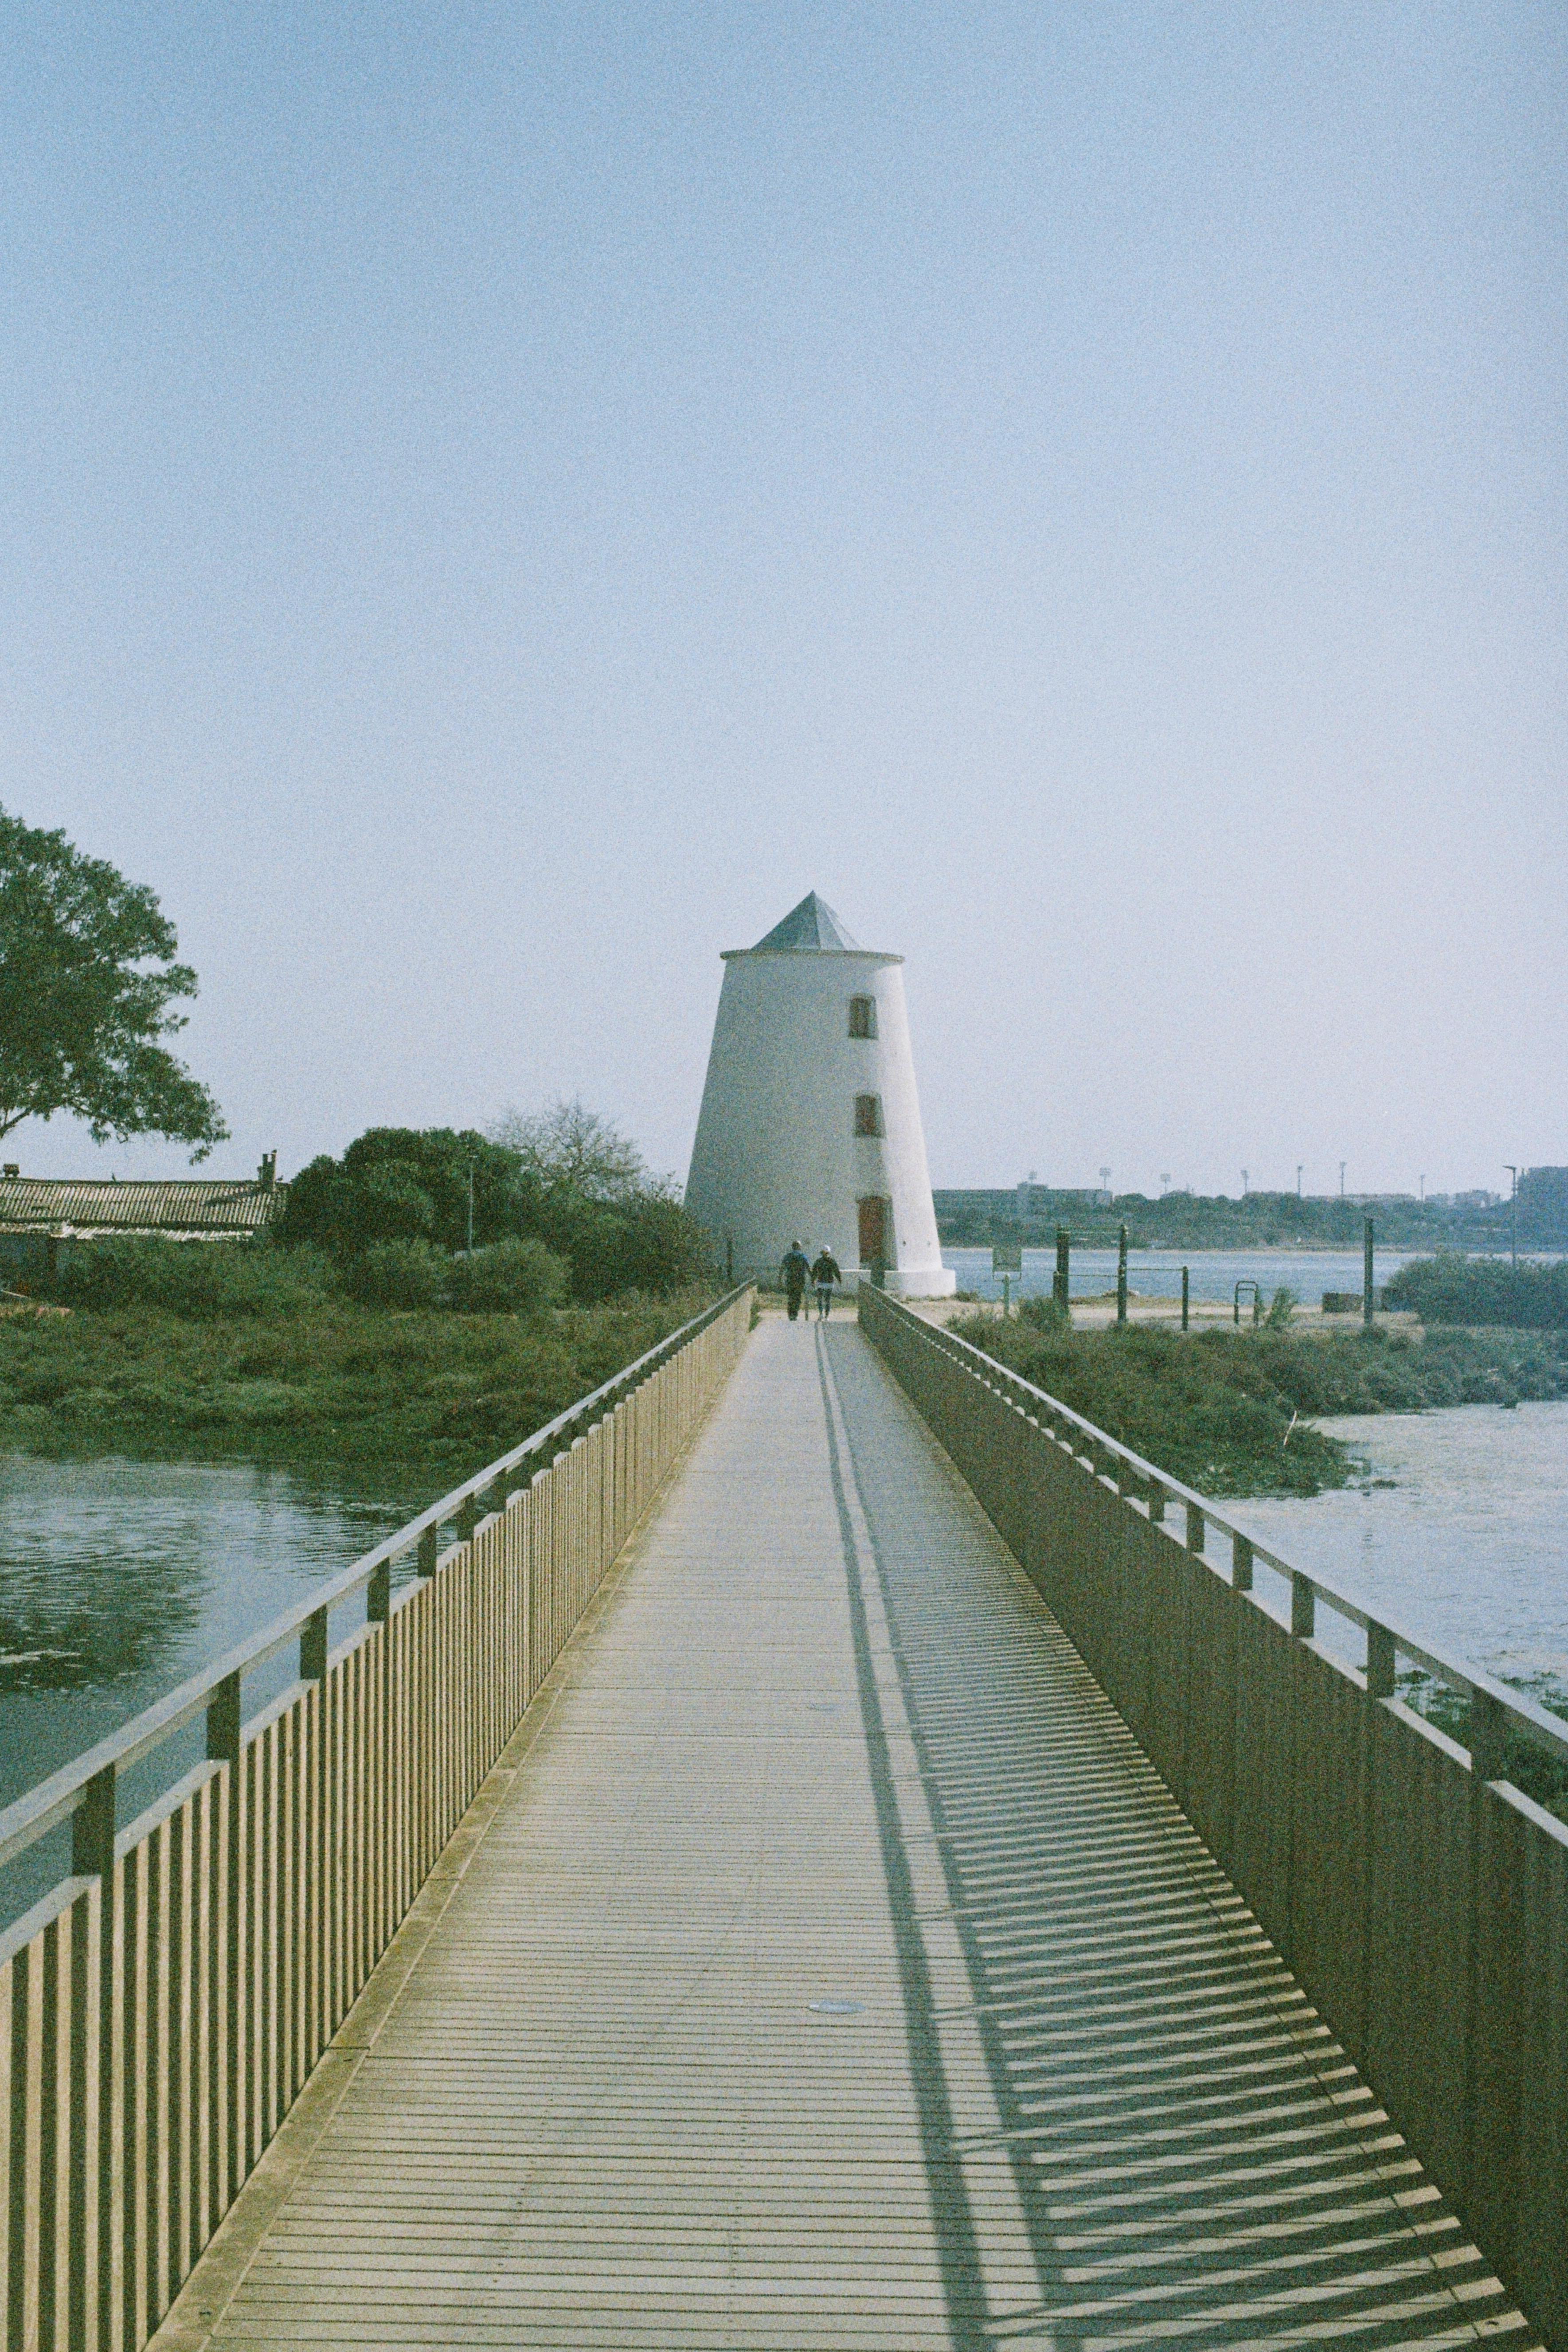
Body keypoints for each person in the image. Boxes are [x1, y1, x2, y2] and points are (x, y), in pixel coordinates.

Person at [779, 1241, 811, 1322]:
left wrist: (780, 1279)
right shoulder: (803, 1257)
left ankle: (791, 1315)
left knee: (791, 1297)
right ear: (800, 1247)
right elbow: (808, 1269)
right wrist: (813, 1279)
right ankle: (795, 1314)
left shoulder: (788, 1257)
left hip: (790, 1280)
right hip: (800, 1280)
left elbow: (782, 1268)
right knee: (798, 1297)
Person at [810, 1246, 842, 1319]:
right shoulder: (832, 1261)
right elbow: (837, 1272)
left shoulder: (819, 1261)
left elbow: (814, 1272)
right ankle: (827, 1316)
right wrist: (839, 1280)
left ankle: (821, 1314)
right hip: (829, 1282)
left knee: (820, 1298)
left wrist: (813, 1281)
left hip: (821, 1282)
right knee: (827, 1299)